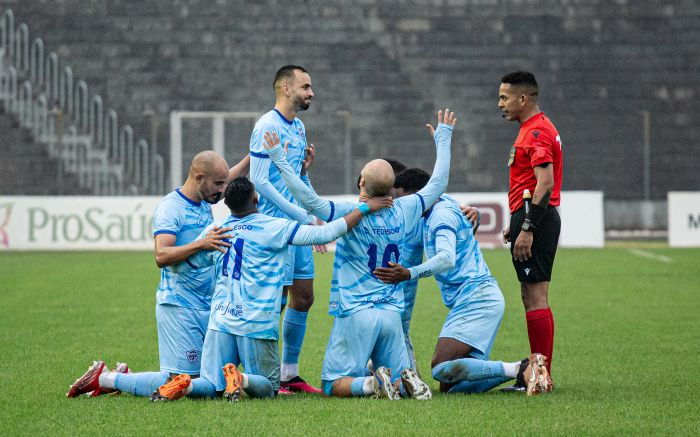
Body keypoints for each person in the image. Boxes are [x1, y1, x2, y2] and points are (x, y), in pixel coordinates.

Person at [263, 108, 456, 400]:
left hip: (356, 312)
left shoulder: (349, 213)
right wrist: (443, 139)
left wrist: (279, 159)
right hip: (392, 313)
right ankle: (406, 381)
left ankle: (370, 385)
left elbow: (310, 202)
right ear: (392, 187)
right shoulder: (406, 208)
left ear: (362, 183)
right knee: (396, 370)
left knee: (333, 384)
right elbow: (438, 183)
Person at [150, 177, 393, 401]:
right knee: (268, 388)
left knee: (211, 385)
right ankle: (241, 378)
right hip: (256, 325)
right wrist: (363, 208)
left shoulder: (215, 231)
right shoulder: (275, 227)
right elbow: (326, 233)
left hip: (220, 322)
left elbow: (188, 265)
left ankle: (185, 384)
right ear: (256, 199)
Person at [66, 151, 247, 398]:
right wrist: (201, 244)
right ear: (199, 177)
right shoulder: (171, 208)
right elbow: (161, 256)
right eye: (218, 184)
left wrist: (256, 155)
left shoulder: (207, 197)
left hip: (207, 303)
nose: (223, 189)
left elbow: (230, 174)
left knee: (206, 381)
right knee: (183, 383)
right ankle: (107, 378)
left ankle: (118, 377)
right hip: (179, 305)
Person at [374, 168, 551, 396]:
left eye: (400, 197)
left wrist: (409, 273)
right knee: (451, 387)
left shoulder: (440, 216)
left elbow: (446, 258)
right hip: (478, 297)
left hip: (476, 298)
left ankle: (523, 367)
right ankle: (523, 376)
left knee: (439, 368)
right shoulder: (441, 205)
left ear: (419, 194)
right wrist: (474, 213)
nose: (399, 204)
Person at [249, 65, 322, 393]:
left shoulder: (299, 127)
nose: (311, 93)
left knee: (304, 298)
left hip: (298, 225)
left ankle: (289, 373)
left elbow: (295, 177)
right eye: (305, 86)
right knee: (273, 302)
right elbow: (259, 181)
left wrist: (312, 209)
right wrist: (300, 215)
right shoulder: (266, 125)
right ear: (285, 88)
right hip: (273, 229)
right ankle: (262, 374)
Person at [498, 71, 562, 387]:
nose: (500, 104)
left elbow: (545, 183)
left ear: (523, 98)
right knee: (529, 295)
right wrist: (518, 223)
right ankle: (537, 373)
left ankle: (540, 375)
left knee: (536, 296)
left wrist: (527, 227)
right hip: (529, 217)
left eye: (504, 97)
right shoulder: (531, 130)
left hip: (537, 219)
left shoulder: (536, 133)